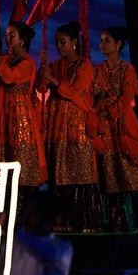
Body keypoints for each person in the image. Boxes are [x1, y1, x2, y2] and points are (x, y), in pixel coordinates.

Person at [91, 26, 138, 232]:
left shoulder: (127, 69)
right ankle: (114, 224)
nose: (102, 44)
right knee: (109, 175)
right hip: (105, 128)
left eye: (107, 41)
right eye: (101, 40)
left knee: (133, 173)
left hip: (123, 123)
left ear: (118, 44)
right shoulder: (98, 70)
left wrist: (107, 113)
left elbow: (128, 96)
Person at [38, 21, 101, 232]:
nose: (60, 46)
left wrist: (54, 82)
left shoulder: (85, 65)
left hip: (77, 126)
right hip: (57, 124)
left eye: (63, 42)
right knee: (59, 173)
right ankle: (61, 221)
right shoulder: (55, 66)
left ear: (74, 42)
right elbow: (40, 86)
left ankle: (84, 223)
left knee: (80, 173)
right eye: (57, 43)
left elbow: (76, 93)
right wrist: (43, 69)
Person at [0, 21, 47, 190]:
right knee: (2, 170)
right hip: (2, 115)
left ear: (22, 39)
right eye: (6, 35)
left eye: (12, 35)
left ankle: (20, 209)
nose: (8, 38)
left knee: (21, 167)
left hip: (20, 118)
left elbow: (10, 77)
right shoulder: (2, 60)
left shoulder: (28, 62)